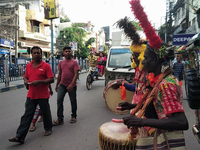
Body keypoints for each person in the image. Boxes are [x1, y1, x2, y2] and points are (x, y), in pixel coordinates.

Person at [120, 1, 189, 148]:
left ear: (156, 59)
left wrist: (141, 121)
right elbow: (158, 106)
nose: (143, 62)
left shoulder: (166, 84)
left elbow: (181, 121)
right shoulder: (158, 80)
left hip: (166, 141)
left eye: (146, 58)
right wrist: (131, 105)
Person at [9, 46, 54, 144]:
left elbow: (51, 79)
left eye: (38, 53)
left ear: (41, 54)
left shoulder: (46, 66)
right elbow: (26, 77)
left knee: (45, 113)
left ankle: (48, 128)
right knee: (27, 115)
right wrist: (25, 81)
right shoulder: (28, 66)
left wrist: (40, 82)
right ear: (32, 54)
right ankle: (20, 136)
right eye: (34, 53)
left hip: (43, 95)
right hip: (31, 95)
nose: (36, 54)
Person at [52, 46, 80, 125]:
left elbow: (75, 74)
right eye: (66, 51)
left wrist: (71, 84)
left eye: (69, 51)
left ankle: (73, 116)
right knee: (59, 101)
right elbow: (60, 74)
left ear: (71, 52)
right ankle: (60, 119)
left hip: (72, 85)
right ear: (63, 53)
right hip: (62, 85)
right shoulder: (61, 62)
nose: (68, 52)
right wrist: (57, 85)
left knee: (73, 101)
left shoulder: (74, 62)